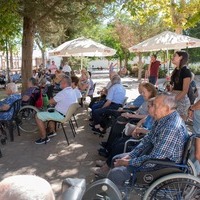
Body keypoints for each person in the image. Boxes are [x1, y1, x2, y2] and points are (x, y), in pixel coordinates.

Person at [107, 93, 189, 190]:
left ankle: (115, 192)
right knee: (116, 158)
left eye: (155, 105)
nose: (151, 108)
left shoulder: (171, 127)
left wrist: (128, 163)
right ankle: (113, 189)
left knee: (116, 174)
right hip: (152, 156)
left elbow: (156, 159)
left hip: (162, 166)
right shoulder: (163, 119)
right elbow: (147, 140)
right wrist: (131, 155)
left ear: (166, 109)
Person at [35, 76, 77, 144]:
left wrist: (46, 99)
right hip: (67, 115)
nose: (59, 83)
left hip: (61, 115)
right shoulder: (72, 91)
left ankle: (44, 137)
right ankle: (52, 131)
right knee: (50, 110)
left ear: (65, 83)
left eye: (61, 82)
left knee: (38, 116)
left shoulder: (63, 93)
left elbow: (49, 102)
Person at [170, 51, 192, 121]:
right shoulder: (176, 70)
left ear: (181, 57)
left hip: (181, 101)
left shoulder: (186, 71)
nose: (172, 57)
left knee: (178, 123)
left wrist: (173, 100)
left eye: (174, 56)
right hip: (175, 98)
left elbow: (185, 90)